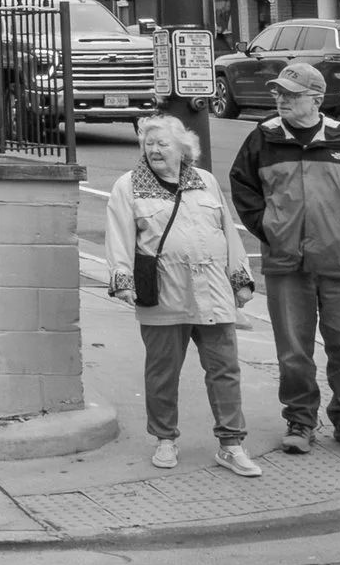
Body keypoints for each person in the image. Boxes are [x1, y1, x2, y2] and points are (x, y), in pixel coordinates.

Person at [229, 59, 340, 456]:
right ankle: (300, 420)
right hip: (286, 263)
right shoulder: (262, 139)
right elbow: (243, 189)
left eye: (290, 94)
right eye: (278, 93)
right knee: (293, 350)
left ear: (316, 99)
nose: (280, 100)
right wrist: (270, 228)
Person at [105, 115, 262, 476]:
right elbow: (119, 237)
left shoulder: (204, 181)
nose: (155, 149)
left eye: (163, 143)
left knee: (225, 370)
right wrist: (122, 279)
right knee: (162, 372)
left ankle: (231, 444)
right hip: (164, 293)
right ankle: (164, 439)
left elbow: (228, 232)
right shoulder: (128, 186)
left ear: (183, 149)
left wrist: (240, 279)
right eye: (149, 143)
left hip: (213, 292)